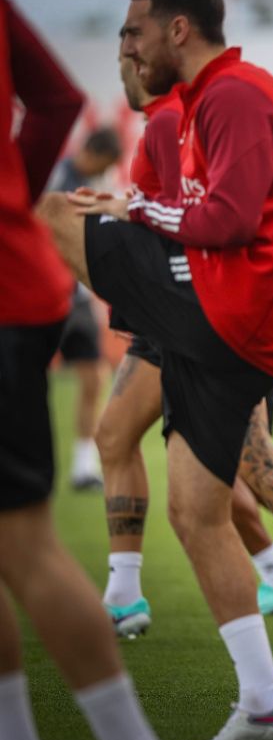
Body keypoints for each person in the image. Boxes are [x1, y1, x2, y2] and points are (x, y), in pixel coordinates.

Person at [38, 0, 273, 740]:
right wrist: (138, 210)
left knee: (51, 208)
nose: (126, 47)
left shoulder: (233, 95)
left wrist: (132, 208)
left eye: (134, 31)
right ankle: (266, 700)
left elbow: (228, 222)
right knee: (196, 511)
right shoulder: (203, 102)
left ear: (178, 29)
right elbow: (208, 210)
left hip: (226, 306)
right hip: (222, 318)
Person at [97, 55, 273, 643]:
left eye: (133, 47)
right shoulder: (180, 118)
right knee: (199, 461)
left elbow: (192, 221)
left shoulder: (173, 120)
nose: (126, 61)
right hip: (194, 316)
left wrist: (122, 228)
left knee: (236, 463)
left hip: (199, 319)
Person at [0, 0, 179, 740]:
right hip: (29, 288)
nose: (127, 51)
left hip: (30, 293)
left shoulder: (180, 121)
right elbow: (56, 99)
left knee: (28, 541)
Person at [48, 128, 122, 492]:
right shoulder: (56, 178)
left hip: (75, 299)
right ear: (91, 152)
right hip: (46, 294)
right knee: (25, 382)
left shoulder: (95, 183)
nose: (103, 171)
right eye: (103, 163)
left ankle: (83, 467)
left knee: (94, 376)